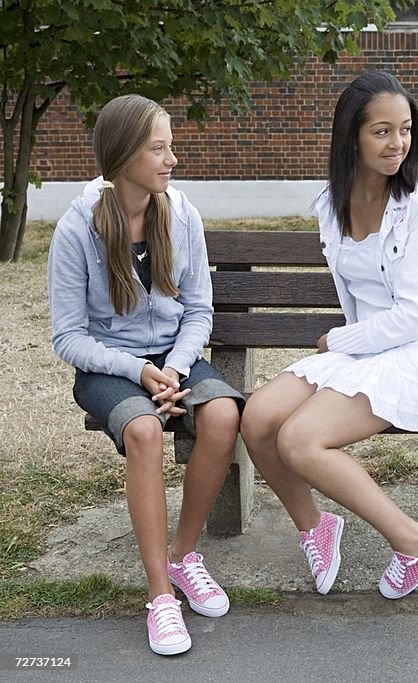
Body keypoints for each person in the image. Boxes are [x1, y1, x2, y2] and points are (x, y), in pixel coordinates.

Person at [240, 72, 418, 601]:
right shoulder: (330, 205)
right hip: (364, 348)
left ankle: (414, 539)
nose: (397, 144)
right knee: (259, 418)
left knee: (300, 440)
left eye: (404, 130)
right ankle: (316, 527)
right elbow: (353, 299)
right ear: (351, 136)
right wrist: (346, 346)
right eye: (382, 131)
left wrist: (338, 344)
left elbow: (412, 318)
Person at [48, 94, 244, 655]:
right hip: (109, 364)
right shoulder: (76, 228)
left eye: (170, 146)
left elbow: (199, 310)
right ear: (124, 153)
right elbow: (69, 338)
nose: (171, 159)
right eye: (158, 148)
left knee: (225, 413)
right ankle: (160, 594)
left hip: (174, 357)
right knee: (144, 431)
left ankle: (184, 558)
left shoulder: (180, 213)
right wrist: (138, 370)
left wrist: (175, 368)